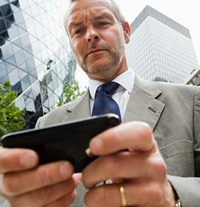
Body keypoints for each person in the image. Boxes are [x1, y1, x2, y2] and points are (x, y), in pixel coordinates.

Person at [0, 0, 200, 206]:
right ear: (71, 46)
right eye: (78, 31)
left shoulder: (191, 101)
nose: (90, 35)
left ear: (126, 32)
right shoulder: (47, 123)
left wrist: (172, 195)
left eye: (102, 23)